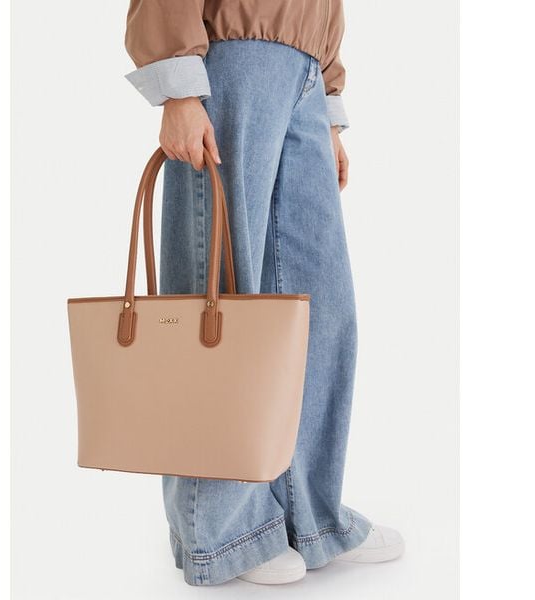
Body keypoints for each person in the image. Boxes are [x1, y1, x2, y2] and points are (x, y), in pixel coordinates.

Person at [124, 0, 404, 586]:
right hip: (232, 56)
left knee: (318, 306)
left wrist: (327, 104)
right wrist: (178, 88)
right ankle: (221, 530)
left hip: (305, 70)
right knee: (217, 304)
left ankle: (308, 515)